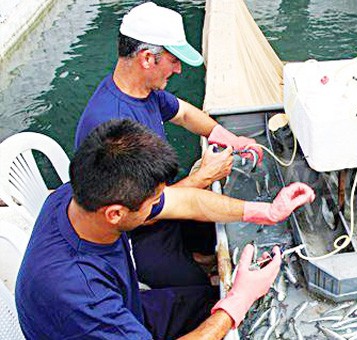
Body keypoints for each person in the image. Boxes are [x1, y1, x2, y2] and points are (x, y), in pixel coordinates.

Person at [16, 119, 315, 339]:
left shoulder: (78, 194)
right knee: (233, 309)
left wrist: (266, 211)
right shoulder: (82, 294)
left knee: (210, 296)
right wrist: (239, 301)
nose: (162, 202)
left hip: (129, 305)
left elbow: (184, 201)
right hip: (99, 322)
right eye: (154, 200)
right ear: (116, 214)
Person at [74, 2, 266, 288]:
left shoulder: (142, 90)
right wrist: (204, 176)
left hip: (160, 200)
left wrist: (230, 138)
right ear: (148, 59)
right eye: (174, 60)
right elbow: (141, 213)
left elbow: (185, 113)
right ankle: (195, 274)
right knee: (199, 293)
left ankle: (200, 256)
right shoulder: (111, 127)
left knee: (213, 227)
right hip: (137, 234)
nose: (178, 70)